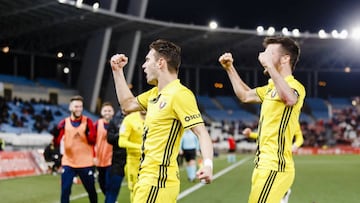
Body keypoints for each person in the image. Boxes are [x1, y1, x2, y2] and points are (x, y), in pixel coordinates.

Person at [110, 39, 214, 203]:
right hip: (147, 179)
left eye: (147, 60)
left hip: (158, 180)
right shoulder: (154, 94)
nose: (144, 66)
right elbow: (127, 105)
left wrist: (208, 164)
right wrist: (117, 71)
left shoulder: (179, 94)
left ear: (160, 63)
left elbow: (201, 132)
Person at [219, 36, 306, 203]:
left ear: (285, 58)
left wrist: (269, 66)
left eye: (269, 53)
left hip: (275, 166)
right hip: (262, 165)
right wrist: (230, 68)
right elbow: (245, 95)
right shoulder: (271, 88)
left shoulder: (295, 87)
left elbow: (289, 98)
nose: (262, 56)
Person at [242, 122, 304, 203]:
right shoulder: (272, 118)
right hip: (267, 161)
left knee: (267, 194)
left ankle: (283, 195)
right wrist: (251, 134)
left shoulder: (292, 119)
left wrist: (294, 146)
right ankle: (283, 195)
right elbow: (265, 137)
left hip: (280, 162)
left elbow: (300, 138)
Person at [54, 95, 97, 203]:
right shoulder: (63, 123)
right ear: (70, 108)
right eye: (76, 106)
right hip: (69, 162)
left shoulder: (88, 122)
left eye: (80, 107)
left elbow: (93, 140)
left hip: (85, 163)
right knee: (65, 190)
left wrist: (89, 134)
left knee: (91, 191)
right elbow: (56, 141)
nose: (78, 109)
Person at [118, 111, 146, 202]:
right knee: (135, 189)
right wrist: (140, 147)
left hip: (152, 161)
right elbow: (121, 142)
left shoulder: (155, 117)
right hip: (134, 161)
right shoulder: (129, 119)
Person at [94, 102, 115, 197]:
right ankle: (110, 199)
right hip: (99, 159)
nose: (107, 112)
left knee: (109, 182)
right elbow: (92, 140)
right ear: (102, 112)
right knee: (101, 182)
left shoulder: (117, 124)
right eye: (105, 110)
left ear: (113, 112)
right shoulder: (97, 124)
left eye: (109, 110)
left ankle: (111, 199)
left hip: (112, 159)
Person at [106, 110, 127, 203]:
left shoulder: (140, 117)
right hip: (118, 160)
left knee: (140, 190)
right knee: (113, 189)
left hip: (137, 159)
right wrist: (121, 134)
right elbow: (109, 139)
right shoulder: (115, 120)